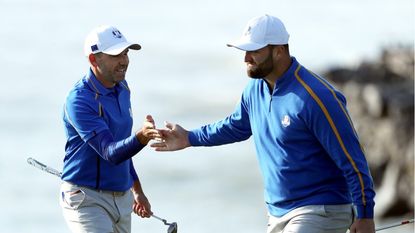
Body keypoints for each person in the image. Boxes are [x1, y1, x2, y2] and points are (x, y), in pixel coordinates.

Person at [152, 15, 376, 233]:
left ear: (279, 51)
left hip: (321, 209)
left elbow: (353, 159)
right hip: (276, 213)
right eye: (245, 51)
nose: (246, 58)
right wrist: (190, 137)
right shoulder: (254, 89)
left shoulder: (317, 97)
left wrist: (365, 216)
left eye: (254, 51)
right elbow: (236, 126)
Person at [61, 25, 159, 233]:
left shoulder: (122, 88)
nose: (124, 61)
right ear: (94, 60)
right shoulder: (80, 100)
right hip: (87, 199)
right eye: (116, 55)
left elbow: (122, 144)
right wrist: (141, 137)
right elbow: (110, 152)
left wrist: (137, 190)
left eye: (125, 53)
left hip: (122, 199)